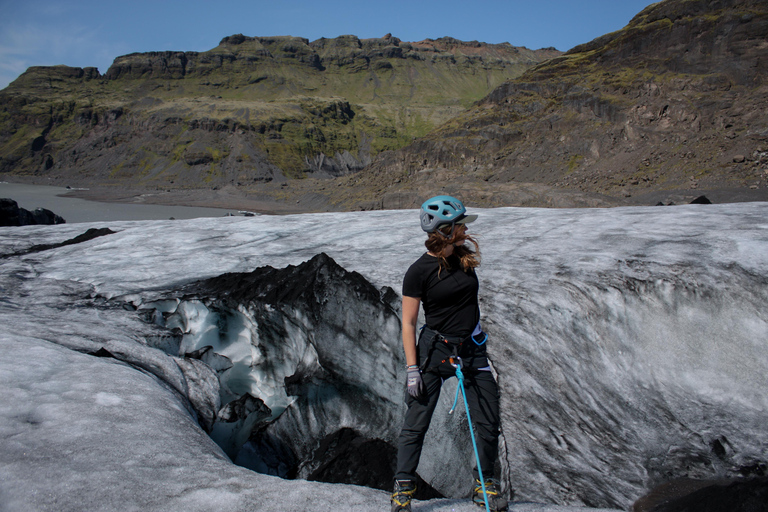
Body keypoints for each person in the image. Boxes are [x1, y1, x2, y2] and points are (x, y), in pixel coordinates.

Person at [391, 195, 509, 512]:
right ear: (444, 230)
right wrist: (413, 369)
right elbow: (409, 323)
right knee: (416, 423)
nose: (465, 230)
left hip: (471, 350)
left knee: (487, 420)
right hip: (435, 350)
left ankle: (485, 485)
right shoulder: (418, 272)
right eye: (460, 225)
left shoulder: (462, 260)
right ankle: (402, 489)